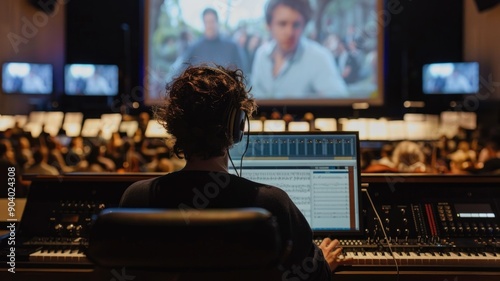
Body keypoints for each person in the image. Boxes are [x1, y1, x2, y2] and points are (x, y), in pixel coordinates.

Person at [120, 65, 351, 280]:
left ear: (173, 126)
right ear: (237, 128)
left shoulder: (137, 199)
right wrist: (323, 265)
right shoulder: (271, 204)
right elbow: (308, 274)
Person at [251, 0, 348, 99]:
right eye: (282, 24)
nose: (289, 32)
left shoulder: (318, 57)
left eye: (296, 25)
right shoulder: (262, 55)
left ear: (304, 26)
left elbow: (338, 101)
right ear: (269, 26)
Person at [169, 8, 248, 78]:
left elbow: (241, 72)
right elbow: (180, 71)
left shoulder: (232, 47)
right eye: (207, 22)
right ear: (203, 23)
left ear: (217, 22)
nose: (210, 25)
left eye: (212, 21)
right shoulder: (194, 48)